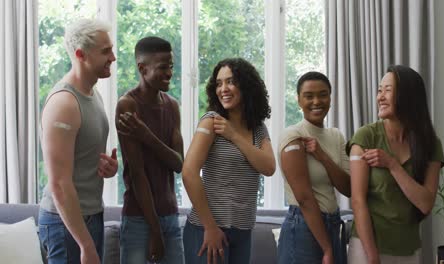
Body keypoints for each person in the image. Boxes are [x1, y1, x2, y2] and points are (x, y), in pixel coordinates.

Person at [38, 18, 118, 264]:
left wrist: (107, 167)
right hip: (66, 225)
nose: (113, 57)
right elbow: (59, 184)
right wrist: (85, 244)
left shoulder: (94, 95)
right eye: (105, 51)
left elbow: (83, 157)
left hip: (91, 215)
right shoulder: (63, 103)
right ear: (81, 55)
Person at [347, 65, 444, 263]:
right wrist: (372, 256)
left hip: (408, 249)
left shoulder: (430, 144)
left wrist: (392, 165)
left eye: (388, 90)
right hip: (367, 248)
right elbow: (357, 201)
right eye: (379, 90)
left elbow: (425, 204)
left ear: (408, 96)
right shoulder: (366, 137)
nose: (380, 97)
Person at [182, 58, 276, 264]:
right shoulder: (211, 121)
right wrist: (210, 227)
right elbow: (189, 173)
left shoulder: (258, 128)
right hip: (208, 229)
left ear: (246, 86)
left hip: (242, 231)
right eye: (219, 83)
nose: (223, 89)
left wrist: (234, 135)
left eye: (231, 82)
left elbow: (269, 167)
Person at [115, 36, 184, 264]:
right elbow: (137, 174)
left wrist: (147, 136)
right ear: (142, 69)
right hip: (139, 219)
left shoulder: (172, 106)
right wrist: (155, 231)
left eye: (171, 66)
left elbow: (178, 164)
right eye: (163, 67)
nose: (169, 73)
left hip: (170, 216)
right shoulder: (128, 105)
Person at [276, 72, 350, 264]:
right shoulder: (293, 135)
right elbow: (304, 198)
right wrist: (327, 248)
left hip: (334, 224)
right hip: (303, 227)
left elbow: (348, 187)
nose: (316, 101)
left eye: (323, 94)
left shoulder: (336, 136)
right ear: (299, 100)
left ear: (330, 98)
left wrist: (323, 156)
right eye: (309, 96)